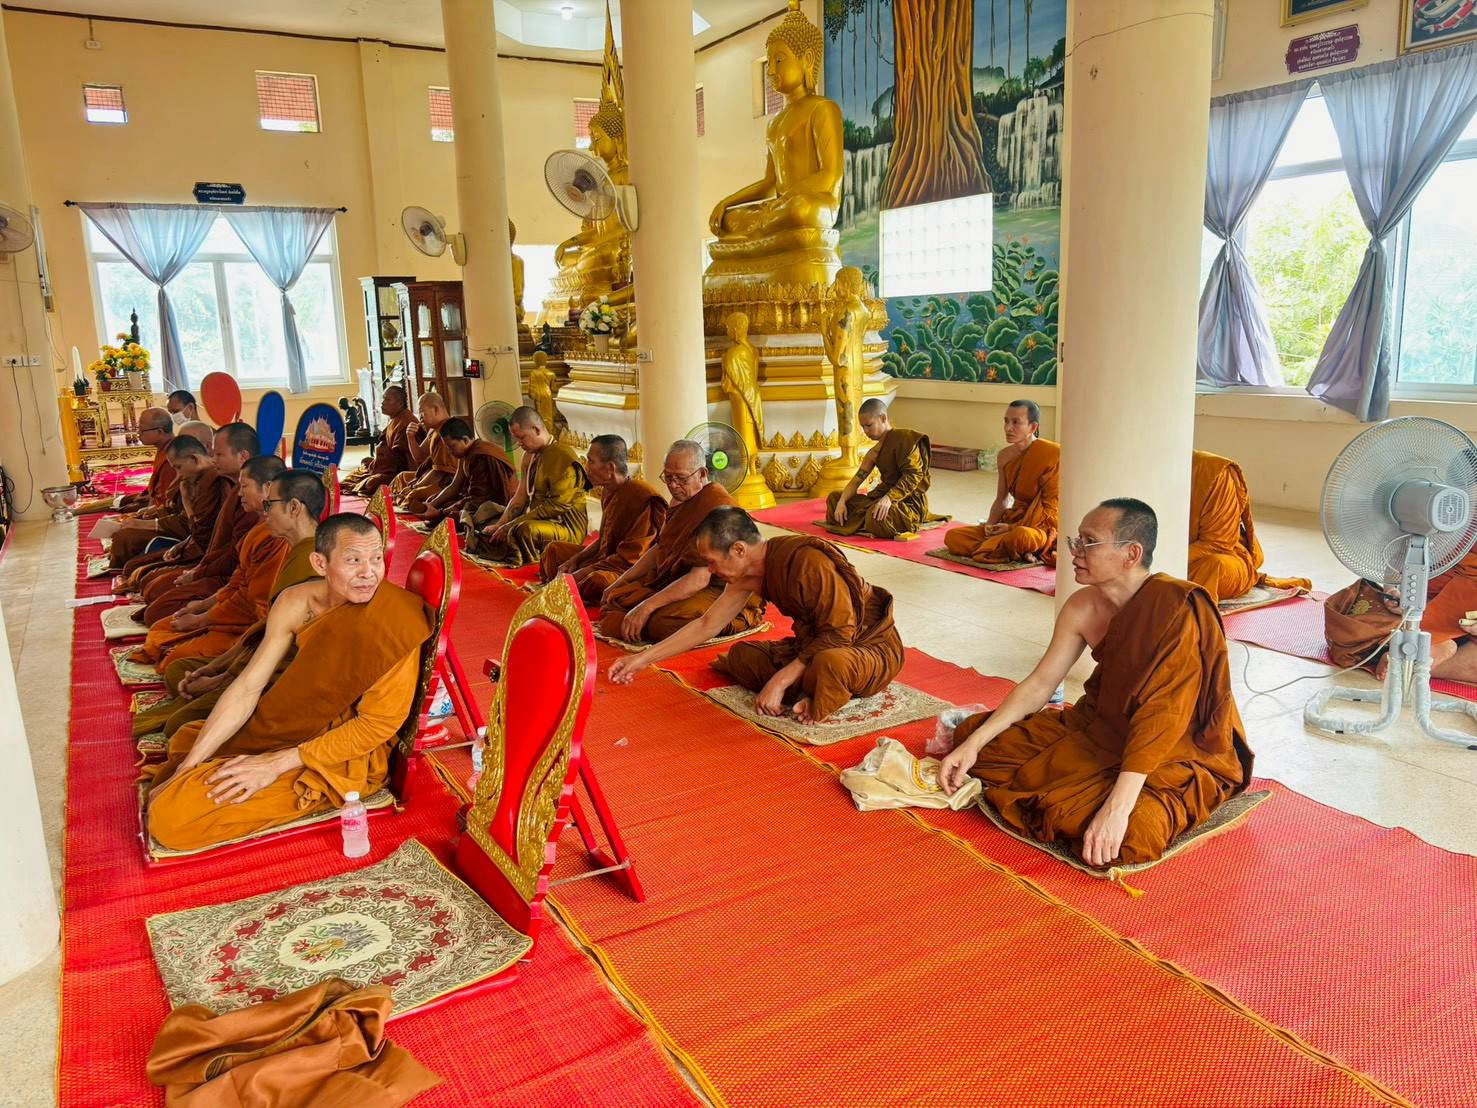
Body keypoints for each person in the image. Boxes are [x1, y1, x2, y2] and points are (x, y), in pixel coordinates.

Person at [939, 499, 1253, 867]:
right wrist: (974, 744)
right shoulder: (1081, 606)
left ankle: (1107, 800)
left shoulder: (1176, 608)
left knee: (1134, 837)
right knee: (973, 739)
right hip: (1099, 728)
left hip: (1174, 748)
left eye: (1089, 542)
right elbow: (1041, 683)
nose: (1072, 551)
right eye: (1076, 540)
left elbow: (1164, 714)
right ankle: (1083, 795)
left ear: (1131, 553)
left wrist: (1118, 809)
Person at [146, 513, 432, 852]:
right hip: (291, 724)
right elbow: (249, 686)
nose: (369, 573)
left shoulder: (393, 622)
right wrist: (188, 766)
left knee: (170, 817)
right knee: (186, 743)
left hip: (337, 754)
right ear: (320, 563)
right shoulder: (296, 602)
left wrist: (275, 763)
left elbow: (376, 725)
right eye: (353, 560)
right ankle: (199, 774)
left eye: (376, 559)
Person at [610, 506, 903, 723]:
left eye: (711, 562)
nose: (710, 571)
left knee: (830, 664)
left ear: (738, 550)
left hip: (865, 645)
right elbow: (706, 624)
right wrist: (641, 659)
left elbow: (841, 632)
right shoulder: (744, 578)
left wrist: (781, 680)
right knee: (741, 657)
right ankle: (814, 688)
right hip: (815, 646)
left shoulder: (807, 561)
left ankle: (817, 689)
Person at [133, 469, 325, 742]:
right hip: (253, 650)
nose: (265, 512)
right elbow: (264, 623)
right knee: (178, 670)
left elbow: (283, 649)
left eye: (270, 505)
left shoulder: (312, 562)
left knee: (178, 730)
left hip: (281, 676)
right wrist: (215, 667)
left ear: (294, 508)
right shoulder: (294, 549)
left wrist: (222, 678)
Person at [129, 456, 288, 672]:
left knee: (175, 662)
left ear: (268, 487)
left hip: (250, 625)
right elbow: (237, 582)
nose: (239, 493)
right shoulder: (259, 529)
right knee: (160, 627)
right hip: (229, 608)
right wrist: (203, 606)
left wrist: (203, 619)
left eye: (244, 487)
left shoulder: (277, 537)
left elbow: (255, 604)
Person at [598, 440, 766, 643]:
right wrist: (621, 581)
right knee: (619, 597)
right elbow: (660, 547)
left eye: (681, 479)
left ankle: (739, 617)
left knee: (660, 621)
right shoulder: (681, 501)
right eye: (668, 478)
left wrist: (647, 607)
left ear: (702, 474)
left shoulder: (716, 506)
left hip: (723, 586)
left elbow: (699, 579)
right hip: (685, 581)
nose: (673, 485)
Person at [136, 422, 261, 624]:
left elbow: (235, 555)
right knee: (150, 586)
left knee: (156, 606)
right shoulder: (234, 487)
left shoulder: (249, 496)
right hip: (213, 565)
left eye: (219, 454)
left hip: (228, 576)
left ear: (243, 456)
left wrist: (199, 578)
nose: (213, 459)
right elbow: (212, 536)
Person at [539, 435, 666, 604]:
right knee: (554, 550)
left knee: (597, 580)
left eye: (591, 462)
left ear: (610, 468)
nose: (586, 467)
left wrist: (583, 572)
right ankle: (570, 587)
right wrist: (575, 560)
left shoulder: (641, 496)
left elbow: (631, 558)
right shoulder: (607, 490)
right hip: (604, 559)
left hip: (627, 569)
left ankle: (569, 587)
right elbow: (603, 541)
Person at [944, 399, 1060, 565]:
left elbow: (1050, 511)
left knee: (1021, 536)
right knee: (953, 537)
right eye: (1006, 421)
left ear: (1033, 427)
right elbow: (1002, 499)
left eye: (1016, 422)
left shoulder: (1052, 454)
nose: (1008, 428)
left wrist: (1012, 528)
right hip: (1012, 520)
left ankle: (1013, 547)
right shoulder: (1004, 456)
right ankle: (1010, 549)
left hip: (1039, 528)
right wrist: (989, 526)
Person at [471, 407, 590, 565]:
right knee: (486, 516)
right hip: (535, 519)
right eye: (516, 439)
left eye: (522, 437)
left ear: (536, 429)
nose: (519, 443)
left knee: (523, 530)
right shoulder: (529, 456)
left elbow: (556, 507)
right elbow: (520, 496)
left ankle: (533, 562)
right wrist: (500, 524)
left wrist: (511, 525)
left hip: (565, 526)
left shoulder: (562, 456)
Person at [1188, 450, 1310, 602]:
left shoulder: (1216, 473)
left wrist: (1170, 559)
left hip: (1218, 557)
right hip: (1175, 558)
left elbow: (1217, 544)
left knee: (1214, 567)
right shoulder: (1160, 470)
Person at [115, 432, 231, 585]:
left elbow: (203, 535)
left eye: (219, 455)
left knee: (150, 581)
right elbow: (192, 524)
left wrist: (186, 502)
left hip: (209, 555)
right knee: (133, 568)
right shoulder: (194, 478)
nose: (178, 474)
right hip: (193, 544)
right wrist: (181, 545)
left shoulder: (215, 480)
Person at [825, 398, 947, 539]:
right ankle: (865, 522)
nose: (865, 431)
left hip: (907, 502)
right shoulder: (873, 453)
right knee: (835, 498)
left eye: (869, 425)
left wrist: (889, 498)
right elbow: (856, 481)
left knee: (876, 515)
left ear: (883, 418)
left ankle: (864, 521)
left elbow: (914, 475)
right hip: (881, 497)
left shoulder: (905, 440)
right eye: (863, 427)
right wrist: (842, 502)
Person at [108, 421, 216, 568]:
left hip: (197, 545)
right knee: (127, 530)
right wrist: (152, 514)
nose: (180, 447)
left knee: (128, 547)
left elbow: (198, 529)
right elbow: (171, 505)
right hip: (186, 535)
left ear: (206, 447)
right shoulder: (187, 471)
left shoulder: (212, 479)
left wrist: (149, 523)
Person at [409, 417, 517, 525]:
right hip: (477, 499)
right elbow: (454, 486)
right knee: (435, 500)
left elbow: (477, 498)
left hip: (494, 504)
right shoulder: (465, 454)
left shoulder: (480, 456)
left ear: (465, 440)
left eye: (452, 447)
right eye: (447, 448)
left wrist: (440, 513)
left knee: (449, 517)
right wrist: (432, 504)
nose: (449, 452)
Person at [342, 386, 414, 496]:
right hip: (382, 468)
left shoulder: (406, 422)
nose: (383, 403)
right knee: (355, 474)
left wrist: (380, 465)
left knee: (371, 483)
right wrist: (375, 462)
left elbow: (404, 460)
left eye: (388, 400)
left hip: (395, 472)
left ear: (400, 404)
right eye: (383, 399)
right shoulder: (395, 418)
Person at [392, 392, 456, 509]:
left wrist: (415, 486)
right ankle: (390, 500)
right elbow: (420, 457)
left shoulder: (447, 431)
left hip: (447, 481)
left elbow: (439, 473)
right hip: (433, 475)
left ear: (435, 409)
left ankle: (396, 502)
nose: (420, 417)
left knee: (413, 495)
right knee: (401, 478)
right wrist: (410, 437)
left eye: (421, 411)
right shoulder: (433, 430)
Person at [114, 407, 177, 513]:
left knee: (120, 511)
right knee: (122, 501)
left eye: (142, 430)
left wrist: (146, 507)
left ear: (159, 431)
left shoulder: (172, 457)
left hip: (164, 510)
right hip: (154, 500)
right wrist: (147, 495)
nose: (138, 433)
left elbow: (167, 499)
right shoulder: (163, 448)